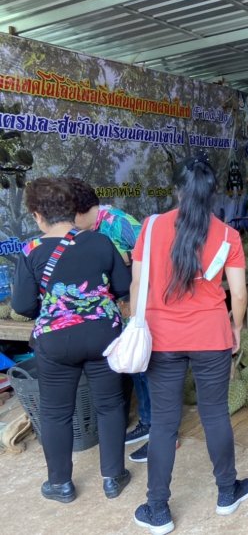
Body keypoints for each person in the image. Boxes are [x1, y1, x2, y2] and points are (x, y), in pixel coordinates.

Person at [130, 154, 248, 534]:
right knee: (214, 413)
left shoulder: (149, 228)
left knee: (164, 423)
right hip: (211, 335)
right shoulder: (228, 236)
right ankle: (227, 493)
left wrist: (138, 325)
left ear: (176, 190)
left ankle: (157, 510)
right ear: (212, 192)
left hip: (161, 338)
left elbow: (137, 287)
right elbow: (239, 295)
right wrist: (237, 329)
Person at [11, 177, 132, 503]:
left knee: (55, 412)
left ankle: (61, 484)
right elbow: (124, 286)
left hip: (55, 341)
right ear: (71, 208)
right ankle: (113, 477)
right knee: (109, 406)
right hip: (103, 336)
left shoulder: (31, 251)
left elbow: (22, 306)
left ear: (37, 215)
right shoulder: (100, 242)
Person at [63, 177, 155, 462]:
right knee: (135, 369)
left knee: (148, 371)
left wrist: (125, 257)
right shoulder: (81, 234)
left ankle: (162, 431)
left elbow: (154, 253)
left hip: (140, 310)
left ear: (79, 211)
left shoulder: (119, 222)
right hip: (116, 315)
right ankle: (148, 422)